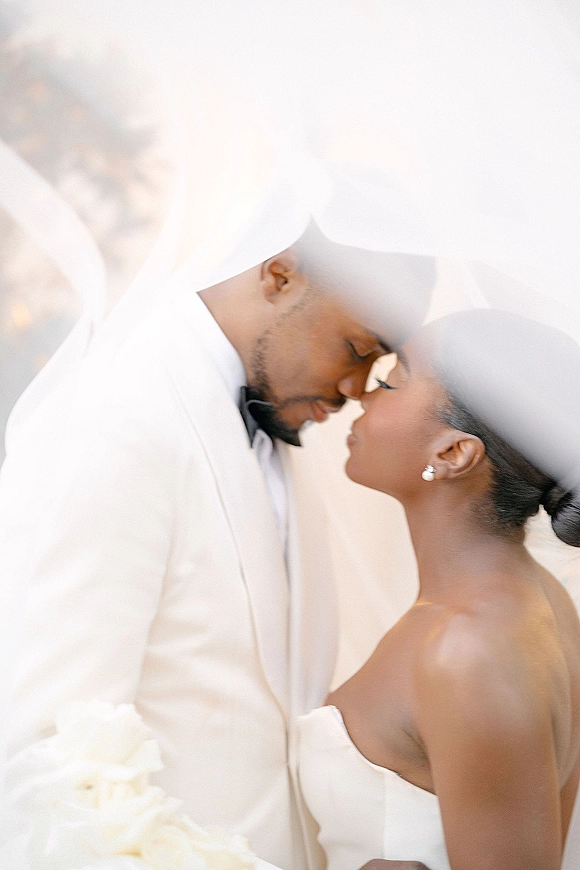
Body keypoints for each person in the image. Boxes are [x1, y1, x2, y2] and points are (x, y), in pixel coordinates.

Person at [0, 220, 433, 870]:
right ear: (280, 274)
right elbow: (48, 754)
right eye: (357, 347)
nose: (356, 389)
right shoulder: (115, 417)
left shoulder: (280, 427)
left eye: (379, 367)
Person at [297, 309, 580, 870]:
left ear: (453, 453)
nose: (363, 398)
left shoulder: (469, 648)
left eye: (391, 381)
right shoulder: (536, 598)